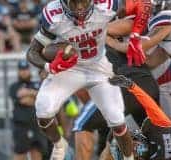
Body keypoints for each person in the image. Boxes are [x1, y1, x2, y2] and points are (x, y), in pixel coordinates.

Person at [26, 0, 152, 159]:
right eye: (74, 3)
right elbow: (32, 52)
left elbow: (144, 3)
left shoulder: (106, 5)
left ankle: (128, 157)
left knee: (117, 120)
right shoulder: (54, 16)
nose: (79, 8)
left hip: (98, 68)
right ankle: (59, 144)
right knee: (43, 109)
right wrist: (49, 67)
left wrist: (135, 34)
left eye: (84, 2)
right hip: (70, 69)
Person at [73, 45, 160, 160]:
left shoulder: (76, 47)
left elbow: (81, 91)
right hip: (149, 85)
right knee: (154, 142)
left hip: (126, 83)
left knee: (82, 125)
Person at [9, 60, 48, 160]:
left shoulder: (37, 84)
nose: (24, 72)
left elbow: (42, 98)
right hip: (21, 126)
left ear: (29, 70)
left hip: (37, 125)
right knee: (20, 153)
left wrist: (28, 92)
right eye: (21, 70)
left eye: (25, 69)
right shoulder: (14, 86)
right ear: (18, 71)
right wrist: (34, 96)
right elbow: (23, 100)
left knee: (37, 152)